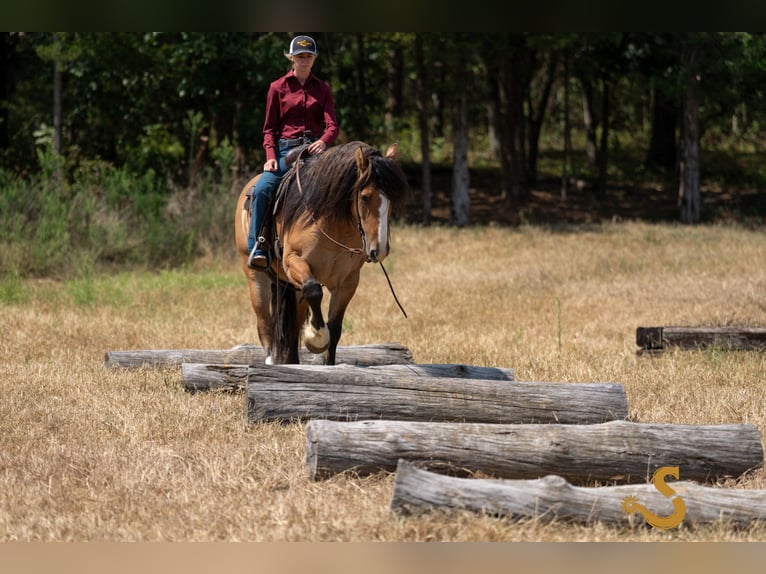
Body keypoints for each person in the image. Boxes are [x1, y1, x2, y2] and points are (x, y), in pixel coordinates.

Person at [247, 34, 339, 270]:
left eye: (309, 56)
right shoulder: (277, 88)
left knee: (341, 189)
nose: (304, 60)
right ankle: (258, 246)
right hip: (285, 151)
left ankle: (339, 247)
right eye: (300, 56)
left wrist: (325, 141)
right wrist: (270, 158)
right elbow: (268, 129)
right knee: (262, 189)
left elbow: (332, 125)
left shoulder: (323, 89)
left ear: (314, 59)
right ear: (292, 58)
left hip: (314, 152)